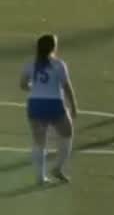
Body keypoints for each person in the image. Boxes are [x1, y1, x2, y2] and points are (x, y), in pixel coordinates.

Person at [17, 33, 76, 186]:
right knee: (67, 134)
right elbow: (66, 86)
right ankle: (57, 168)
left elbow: (23, 85)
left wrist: (34, 87)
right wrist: (74, 106)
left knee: (39, 141)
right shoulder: (58, 64)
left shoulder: (30, 64)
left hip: (35, 104)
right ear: (53, 47)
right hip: (55, 104)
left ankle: (40, 177)